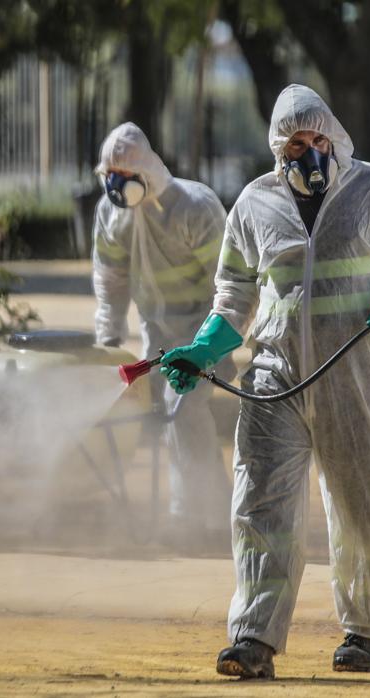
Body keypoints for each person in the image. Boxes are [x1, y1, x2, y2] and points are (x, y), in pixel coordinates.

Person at [159, 85, 370, 679]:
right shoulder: (254, 204)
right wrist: (206, 348)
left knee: (360, 499)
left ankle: (364, 631)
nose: (308, 152)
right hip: (273, 377)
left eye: (317, 140)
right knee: (260, 503)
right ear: (277, 150)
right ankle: (253, 637)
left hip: (351, 373)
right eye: (295, 144)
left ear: (333, 137)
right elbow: (233, 293)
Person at [91, 122, 233, 551]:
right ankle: (224, 513)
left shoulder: (194, 207)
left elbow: (230, 282)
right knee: (173, 421)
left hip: (201, 330)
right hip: (156, 332)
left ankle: (187, 519)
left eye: (124, 175)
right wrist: (108, 342)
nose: (115, 186)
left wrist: (220, 339)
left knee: (184, 412)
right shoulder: (113, 215)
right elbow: (110, 282)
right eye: (109, 176)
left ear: (146, 174)